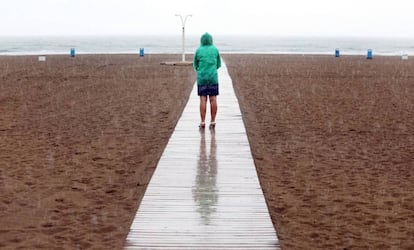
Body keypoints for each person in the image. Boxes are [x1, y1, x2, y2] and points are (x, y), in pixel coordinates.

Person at [193, 32, 221, 129]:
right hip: (213, 77)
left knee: (203, 99)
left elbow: (195, 65)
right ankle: (213, 121)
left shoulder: (198, 50)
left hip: (202, 78)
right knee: (213, 99)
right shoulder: (215, 50)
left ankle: (202, 122)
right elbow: (218, 65)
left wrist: (202, 70)